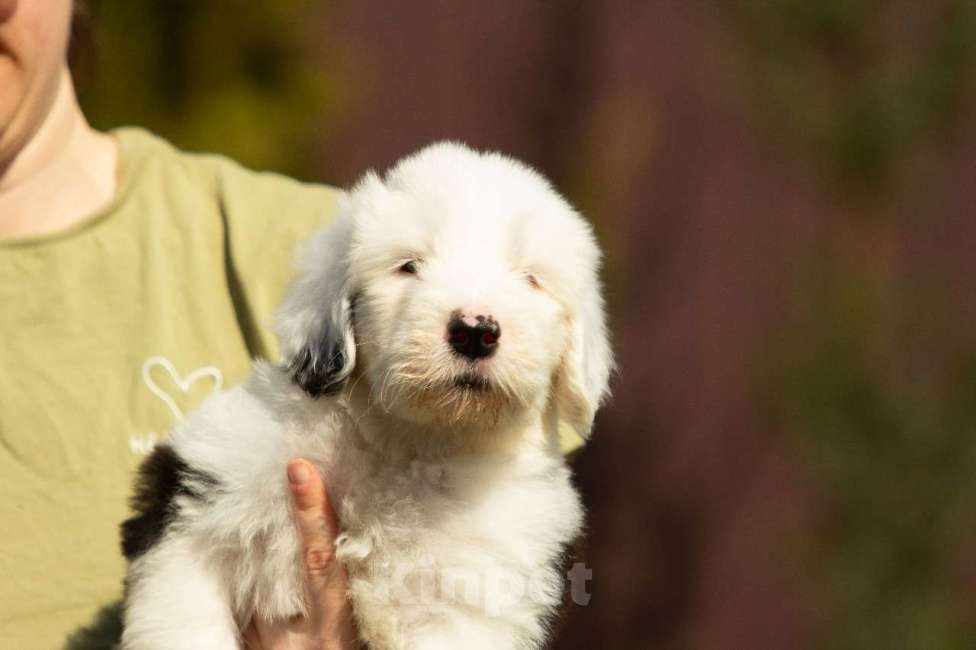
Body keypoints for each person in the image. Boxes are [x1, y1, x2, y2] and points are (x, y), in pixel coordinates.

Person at [0, 1, 582, 648]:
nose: (475, 319)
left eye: (530, 280)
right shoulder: (269, 415)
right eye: (411, 268)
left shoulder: (289, 230)